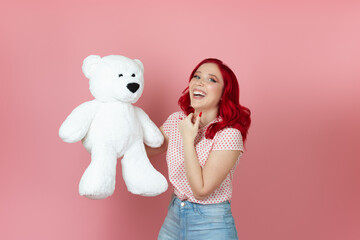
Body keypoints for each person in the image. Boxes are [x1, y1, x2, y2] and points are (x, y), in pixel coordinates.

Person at [146, 58, 251, 240]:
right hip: (175, 215)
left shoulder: (228, 135)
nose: (200, 82)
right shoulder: (177, 120)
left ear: (224, 93)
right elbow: (144, 151)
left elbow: (201, 190)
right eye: (197, 76)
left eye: (212, 79)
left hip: (211, 223)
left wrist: (187, 138)